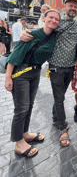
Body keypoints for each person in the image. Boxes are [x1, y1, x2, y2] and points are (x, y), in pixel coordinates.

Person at [20, 0, 77, 147]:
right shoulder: (58, 22)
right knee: (59, 98)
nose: (72, 8)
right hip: (56, 67)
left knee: (60, 95)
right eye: (70, 6)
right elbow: (43, 30)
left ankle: (56, 118)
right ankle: (62, 127)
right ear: (65, 7)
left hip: (70, 67)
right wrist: (26, 32)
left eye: (75, 6)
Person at [5, 9, 60, 158]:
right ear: (44, 18)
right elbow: (15, 55)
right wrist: (8, 77)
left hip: (35, 73)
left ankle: (25, 133)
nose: (54, 21)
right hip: (21, 73)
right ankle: (18, 143)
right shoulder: (32, 34)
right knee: (21, 108)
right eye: (51, 17)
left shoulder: (54, 36)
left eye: (57, 19)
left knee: (29, 106)